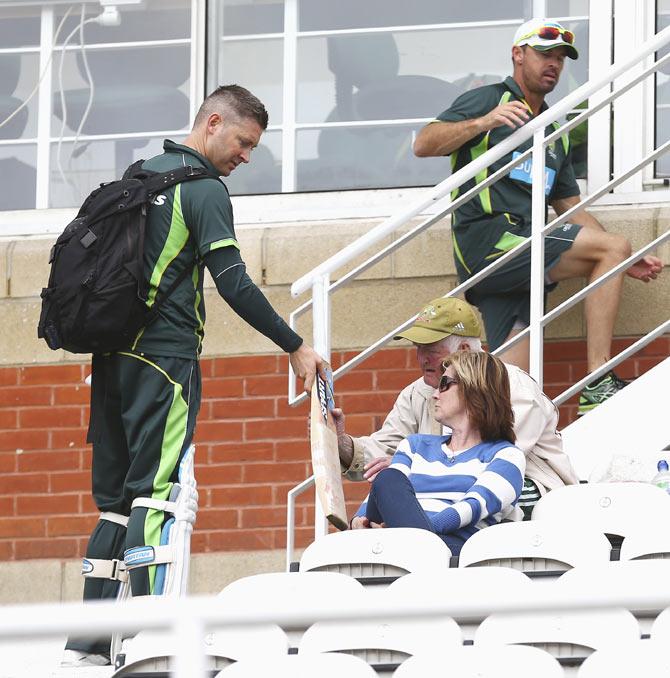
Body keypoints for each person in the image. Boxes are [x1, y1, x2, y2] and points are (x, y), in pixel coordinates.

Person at [63, 85, 323, 667]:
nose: (246, 157)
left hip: (110, 359)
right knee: (161, 495)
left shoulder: (139, 175)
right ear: (212, 124)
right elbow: (233, 283)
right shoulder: (202, 190)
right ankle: (157, 633)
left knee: (114, 503)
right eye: (243, 142)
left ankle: (85, 646)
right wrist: (295, 345)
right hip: (164, 360)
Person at [413, 18, 662, 415]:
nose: (555, 64)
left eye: (561, 58)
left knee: (511, 393)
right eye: (545, 54)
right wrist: (485, 122)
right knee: (612, 247)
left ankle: (489, 463)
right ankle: (598, 380)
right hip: (490, 245)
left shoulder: (555, 131)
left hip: (521, 263)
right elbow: (423, 143)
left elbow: (572, 209)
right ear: (518, 54)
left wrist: (620, 260)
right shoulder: (490, 99)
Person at [334, 296, 578, 518]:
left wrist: (413, 468)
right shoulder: (417, 392)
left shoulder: (511, 385)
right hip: (443, 492)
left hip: (526, 489)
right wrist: (340, 442)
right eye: (418, 348)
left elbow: (500, 462)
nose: (422, 358)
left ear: (463, 350)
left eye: (431, 349)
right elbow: (383, 452)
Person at [351, 351, 526, 556]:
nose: (434, 394)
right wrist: (358, 521)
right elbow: (383, 493)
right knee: (388, 478)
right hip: (396, 543)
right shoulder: (415, 445)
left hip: (452, 552)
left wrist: (412, 534)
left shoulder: (506, 455)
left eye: (444, 384)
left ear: (474, 389)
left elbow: (473, 507)